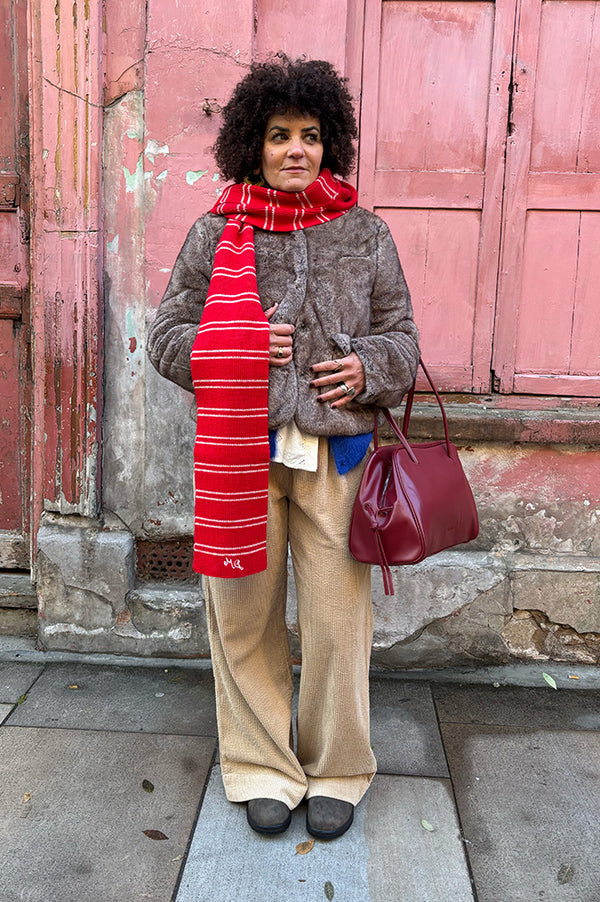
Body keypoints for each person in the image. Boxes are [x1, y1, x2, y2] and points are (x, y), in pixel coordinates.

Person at [147, 56, 419, 840]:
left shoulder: (364, 232)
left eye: (308, 136)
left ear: (328, 143)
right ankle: (263, 766)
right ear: (251, 145)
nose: (295, 150)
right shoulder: (215, 231)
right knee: (242, 617)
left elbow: (404, 340)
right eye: (278, 136)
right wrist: (230, 345)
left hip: (338, 460)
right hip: (241, 455)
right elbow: (166, 338)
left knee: (337, 623)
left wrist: (369, 368)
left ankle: (337, 768)